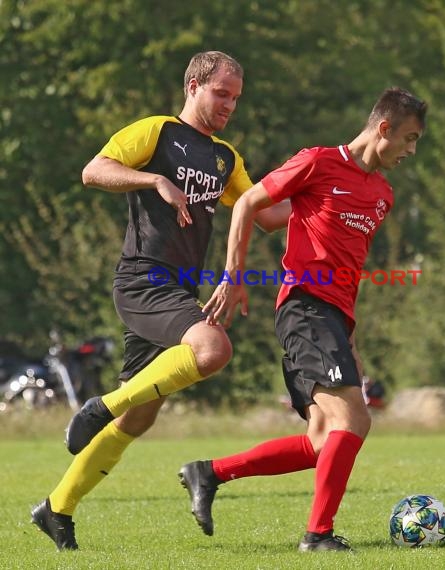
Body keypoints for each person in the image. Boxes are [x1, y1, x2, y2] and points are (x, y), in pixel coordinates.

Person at [30, 50, 290, 551]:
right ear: (193, 86)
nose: (229, 105)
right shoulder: (158, 131)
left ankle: (56, 508)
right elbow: (93, 170)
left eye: (235, 98)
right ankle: (99, 406)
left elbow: (265, 212)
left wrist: (322, 191)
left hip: (178, 289)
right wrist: (154, 179)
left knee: (141, 416)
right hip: (144, 280)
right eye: (221, 93)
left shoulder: (225, 158)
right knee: (212, 350)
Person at [178, 87, 427, 552]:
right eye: (409, 139)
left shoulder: (382, 194)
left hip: (333, 318)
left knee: (321, 440)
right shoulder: (318, 161)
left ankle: (209, 473)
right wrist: (234, 277)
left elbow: (283, 221)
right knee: (354, 421)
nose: (411, 151)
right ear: (384, 128)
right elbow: (252, 204)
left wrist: (350, 337)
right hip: (305, 308)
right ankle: (318, 536)